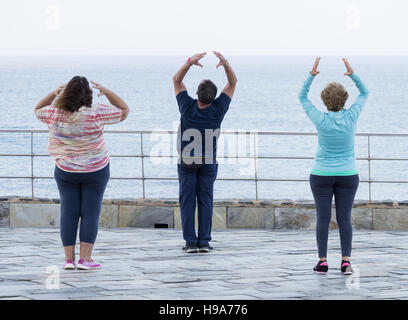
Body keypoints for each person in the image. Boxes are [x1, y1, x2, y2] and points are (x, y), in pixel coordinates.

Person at [35, 76, 129, 270]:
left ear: (66, 92)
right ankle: (85, 259)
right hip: (96, 170)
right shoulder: (97, 112)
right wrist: (107, 91)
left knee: (68, 212)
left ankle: (69, 260)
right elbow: (124, 110)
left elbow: (37, 109)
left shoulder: (55, 113)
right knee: (90, 214)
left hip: (66, 170)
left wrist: (54, 93)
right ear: (89, 94)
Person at [298, 57, 369, 275]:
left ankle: (323, 261)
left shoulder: (320, 119)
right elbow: (365, 93)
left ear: (325, 101)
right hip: (348, 174)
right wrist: (352, 74)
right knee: (344, 217)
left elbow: (302, 97)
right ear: (345, 99)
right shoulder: (351, 117)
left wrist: (311, 75)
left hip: (321, 174)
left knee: (323, 217)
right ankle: (346, 261)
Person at [173, 51, 237, 253]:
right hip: (209, 161)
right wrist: (225, 64)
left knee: (187, 201)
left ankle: (191, 242)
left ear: (197, 93)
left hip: (187, 161)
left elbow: (177, 80)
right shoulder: (218, 108)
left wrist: (189, 63)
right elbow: (232, 83)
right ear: (213, 96)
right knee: (206, 200)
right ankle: (205, 242)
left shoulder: (186, 106)